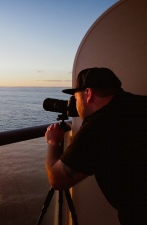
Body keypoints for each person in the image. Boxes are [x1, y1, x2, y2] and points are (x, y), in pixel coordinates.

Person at [45, 67, 147, 225]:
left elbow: (57, 179)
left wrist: (53, 142)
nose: (74, 103)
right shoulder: (139, 103)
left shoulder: (97, 128)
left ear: (88, 93)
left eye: (76, 97)